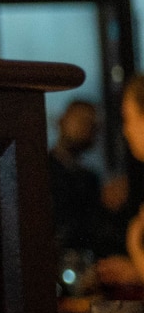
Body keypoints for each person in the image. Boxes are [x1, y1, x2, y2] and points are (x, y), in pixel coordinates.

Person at [51, 98, 122, 259]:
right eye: (81, 121)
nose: (87, 129)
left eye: (93, 125)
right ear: (63, 121)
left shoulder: (90, 178)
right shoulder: (42, 170)